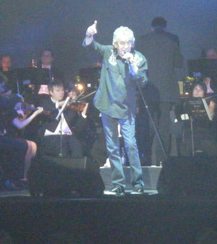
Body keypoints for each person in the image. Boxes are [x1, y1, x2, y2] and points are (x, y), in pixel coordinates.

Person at [83, 20, 148, 195]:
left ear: (132, 43)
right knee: (112, 146)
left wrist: (133, 66)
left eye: (128, 43)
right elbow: (91, 47)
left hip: (127, 108)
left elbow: (143, 82)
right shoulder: (108, 53)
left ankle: (138, 183)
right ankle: (118, 183)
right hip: (107, 104)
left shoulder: (139, 58)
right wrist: (89, 35)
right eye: (121, 43)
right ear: (115, 43)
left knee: (130, 144)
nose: (124, 46)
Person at [136, 16, 184, 164]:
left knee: (148, 127)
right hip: (167, 92)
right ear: (165, 27)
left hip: (147, 90)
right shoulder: (173, 39)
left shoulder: (142, 40)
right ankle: (163, 162)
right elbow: (179, 63)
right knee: (164, 128)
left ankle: (146, 160)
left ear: (151, 27)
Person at [37, 80, 87, 157]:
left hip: (67, 134)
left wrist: (83, 114)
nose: (61, 92)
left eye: (62, 90)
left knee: (77, 147)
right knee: (62, 147)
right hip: (51, 134)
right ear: (51, 92)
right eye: (58, 91)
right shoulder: (45, 103)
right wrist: (59, 104)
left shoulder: (68, 105)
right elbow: (46, 109)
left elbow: (76, 125)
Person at [179, 82, 217, 157]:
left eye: (200, 90)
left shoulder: (209, 102)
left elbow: (211, 120)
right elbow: (179, 118)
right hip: (190, 133)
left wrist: (211, 108)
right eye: (195, 89)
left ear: (204, 92)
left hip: (205, 133)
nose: (197, 91)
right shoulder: (185, 103)